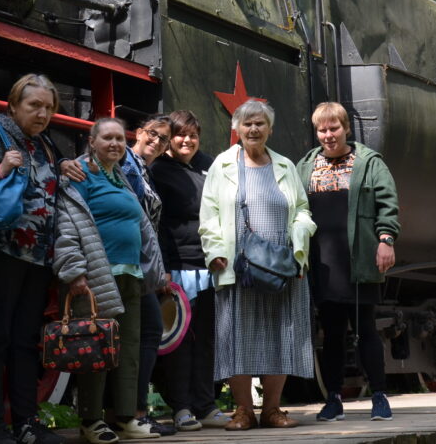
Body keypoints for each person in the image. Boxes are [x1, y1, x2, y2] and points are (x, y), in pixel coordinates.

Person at [0, 74, 66, 444]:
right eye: (34, 105)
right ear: (13, 105)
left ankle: (26, 424)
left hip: (38, 257)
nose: (42, 113)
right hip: (1, 251)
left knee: (24, 341)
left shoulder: (47, 145)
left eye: (49, 107)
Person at [199, 99, 316, 431]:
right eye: (247, 123)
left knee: (280, 333)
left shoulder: (285, 166)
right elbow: (209, 216)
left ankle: (273, 410)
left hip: (280, 262)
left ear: (270, 129)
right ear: (237, 128)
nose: (253, 129)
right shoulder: (222, 166)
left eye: (260, 124)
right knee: (237, 336)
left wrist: (299, 244)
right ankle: (243, 411)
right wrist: (215, 251)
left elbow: (303, 211)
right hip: (238, 264)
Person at [64, 118, 165, 443]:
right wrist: (75, 271)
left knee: (128, 350)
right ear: (92, 141)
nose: (115, 144)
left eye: (120, 139)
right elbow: (67, 224)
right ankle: (91, 421)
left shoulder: (119, 176)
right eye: (107, 138)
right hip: (98, 274)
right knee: (95, 348)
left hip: (131, 274)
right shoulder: (81, 174)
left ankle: (124, 418)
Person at [296, 102, 398, 421]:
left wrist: (386, 241)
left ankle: (379, 396)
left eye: (333, 128)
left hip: (358, 261)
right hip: (323, 265)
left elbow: (387, 204)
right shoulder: (306, 165)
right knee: (332, 333)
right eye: (322, 130)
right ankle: (334, 399)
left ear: (346, 128)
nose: (328, 135)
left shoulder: (368, 162)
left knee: (366, 329)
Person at [150, 110, 227, 431]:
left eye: (193, 135)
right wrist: (164, 268)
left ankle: (206, 404)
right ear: (170, 139)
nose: (187, 141)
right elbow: (156, 223)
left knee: (207, 339)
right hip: (178, 268)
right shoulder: (158, 171)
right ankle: (181, 407)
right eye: (181, 135)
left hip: (211, 266)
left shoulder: (210, 165)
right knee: (178, 340)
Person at [122, 115, 176, 437]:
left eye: (163, 140)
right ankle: (134, 412)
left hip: (143, 264)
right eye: (153, 134)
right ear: (139, 133)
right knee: (144, 333)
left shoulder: (144, 171)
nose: (156, 142)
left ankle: (133, 411)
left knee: (145, 334)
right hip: (131, 263)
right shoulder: (128, 164)